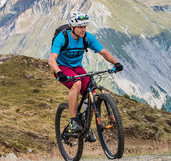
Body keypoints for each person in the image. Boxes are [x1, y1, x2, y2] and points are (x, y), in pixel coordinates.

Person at [49, 11, 123, 142]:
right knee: (76, 84)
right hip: (62, 67)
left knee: (92, 92)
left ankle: (86, 125)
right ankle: (73, 122)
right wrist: (59, 72)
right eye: (80, 27)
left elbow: (103, 52)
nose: (83, 29)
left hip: (77, 67)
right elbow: (52, 59)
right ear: (72, 27)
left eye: (85, 26)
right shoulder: (62, 38)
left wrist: (116, 63)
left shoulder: (87, 38)